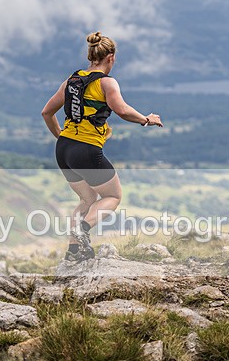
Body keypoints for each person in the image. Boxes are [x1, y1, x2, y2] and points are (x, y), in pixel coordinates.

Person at [41, 31, 163, 262]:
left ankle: (74, 252)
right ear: (111, 58)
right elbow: (122, 110)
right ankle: (83, 229)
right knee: (113, 196)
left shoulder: (72, 80)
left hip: (64, 149)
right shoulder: (106, 83)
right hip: (86, 150)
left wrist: (62, 138)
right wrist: (146, 119)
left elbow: (46, 112)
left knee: (87, 200)